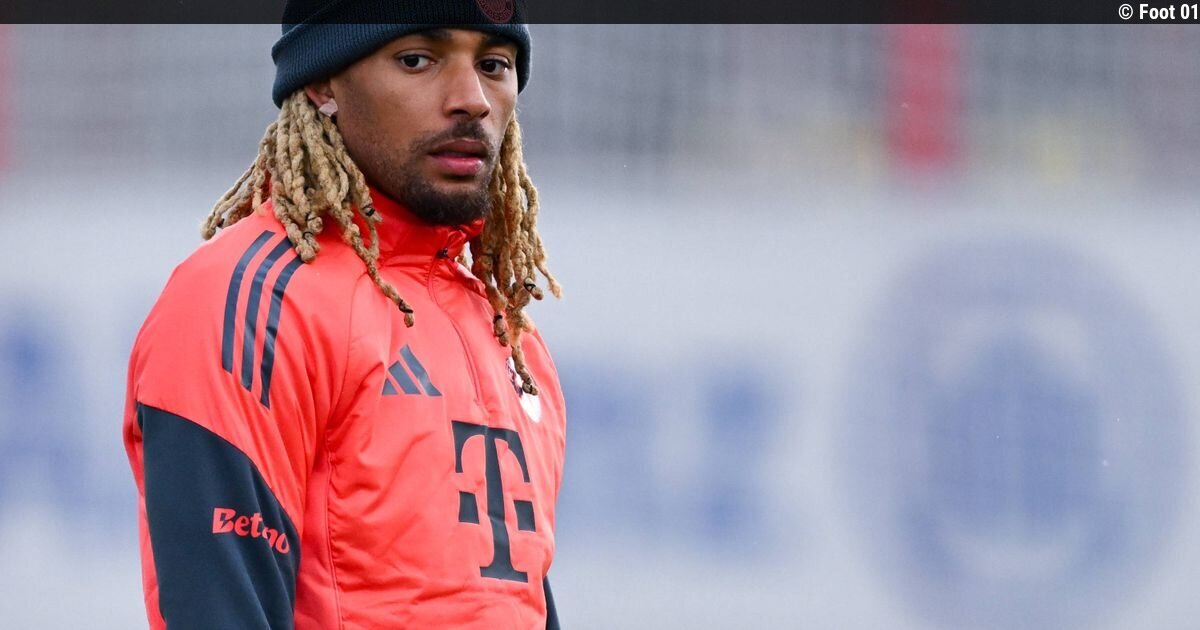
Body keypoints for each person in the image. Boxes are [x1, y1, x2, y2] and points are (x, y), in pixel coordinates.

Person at [122, 3, 566, 628]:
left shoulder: (512, 339)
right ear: (322, 84)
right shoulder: (251, 301)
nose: (472, 99)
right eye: (418, 59)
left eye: (494, 65)